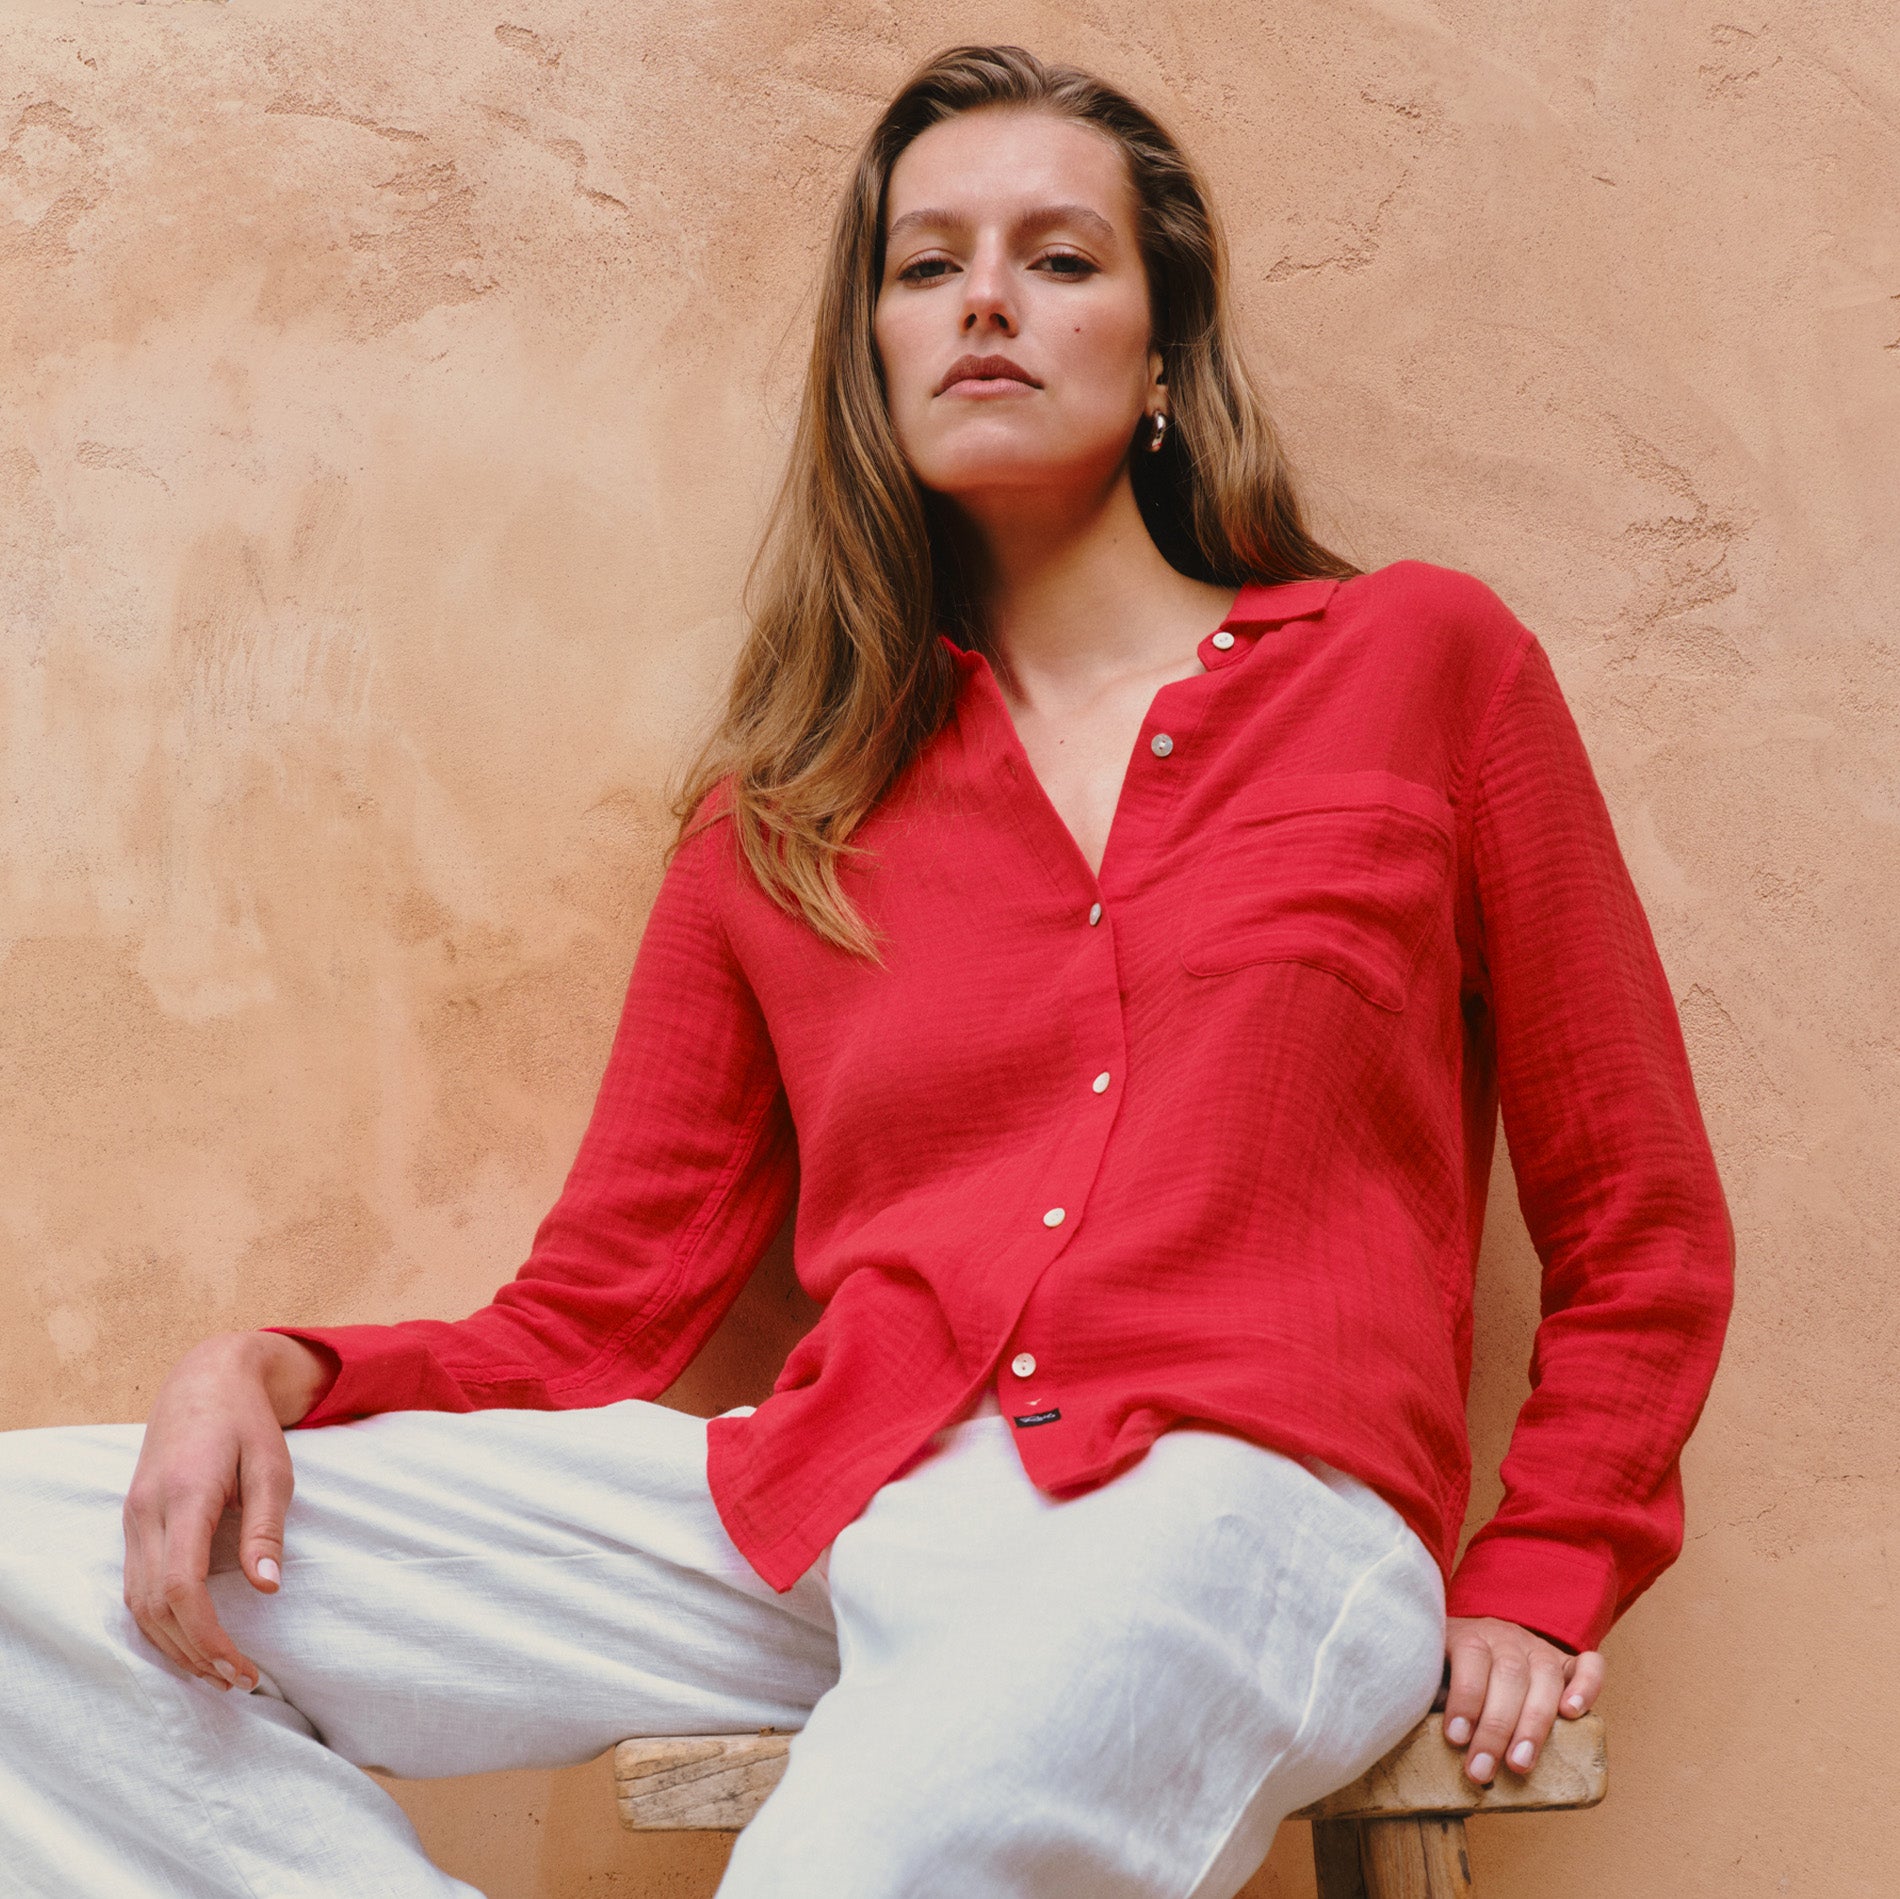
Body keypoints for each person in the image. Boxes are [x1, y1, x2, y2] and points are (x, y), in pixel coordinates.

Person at [0, 43, 1733, 1899]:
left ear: (1166, 356)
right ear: (875, 353)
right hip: (839, 1496)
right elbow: (589, 1321)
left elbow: (1637, 1213)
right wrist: (278, 1364)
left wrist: (1550, 1559)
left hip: (1235, 1516)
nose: (986, 297)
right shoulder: (786, 811)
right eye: (927, 265)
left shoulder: (1416, 663)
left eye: (1060, 259)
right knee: (37, 1556)